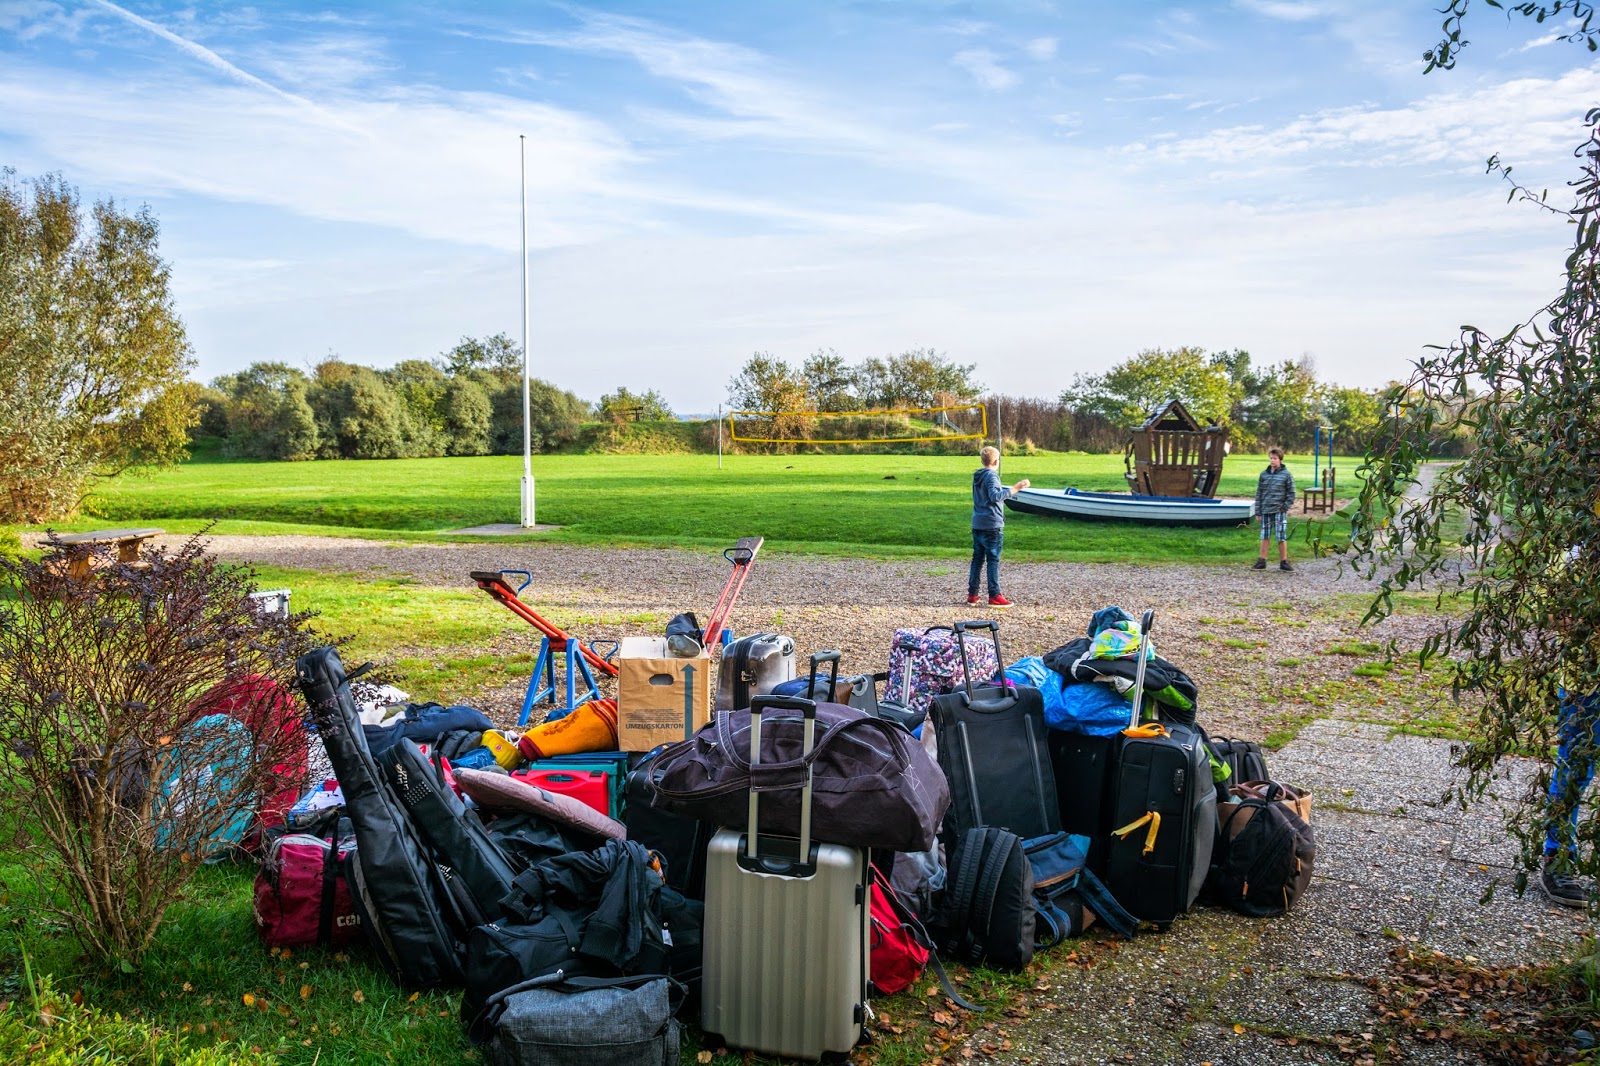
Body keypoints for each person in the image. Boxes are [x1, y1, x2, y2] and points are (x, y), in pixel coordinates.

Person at [968, 446, 1028, 608]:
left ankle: (973, 594)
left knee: (977, 560)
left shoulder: (978, 476)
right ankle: (994, 595)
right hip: (991, 524)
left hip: (978, 523)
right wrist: (1016, 488)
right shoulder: (991, 476)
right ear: (996, 461)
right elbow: (995, 497)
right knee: (993, 560)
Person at [1253, 447, 1296, 572]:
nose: (1272, 461)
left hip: (1279, 511)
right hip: (1265, 510)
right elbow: (1259, 493)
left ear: (1280, 460)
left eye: (1275, 458)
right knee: (1264, 535)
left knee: (1280, 536)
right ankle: (1262, 561)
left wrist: (1284, 507)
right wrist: (1258, 511)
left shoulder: (1286, 475)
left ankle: (1284, 562)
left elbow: (1291, 493)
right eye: (1271, 458)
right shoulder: (1264, 475)